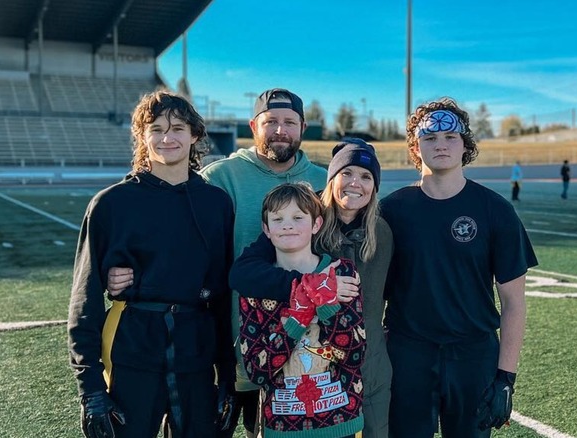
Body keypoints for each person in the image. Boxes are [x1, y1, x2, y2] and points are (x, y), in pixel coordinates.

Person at [107, 88, 330, 438]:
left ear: (303, 126)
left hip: (306, 346)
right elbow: (172, 232)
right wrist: (123, 269)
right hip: (228, 343)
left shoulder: (325, 182)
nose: (280, 130)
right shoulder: (220, 178)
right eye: (271, 122)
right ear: (254, 125)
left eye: (289, 122)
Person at [68, 91, 236, 438]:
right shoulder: (111, 204)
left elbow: (222, 297)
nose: (167, 137)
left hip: (197, 356)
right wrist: (92, 390)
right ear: (142, 137)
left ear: (195, 135)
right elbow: (84, 301)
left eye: (177, 128)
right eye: (156, 129)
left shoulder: (216, 203)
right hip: (133, 354)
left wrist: (229, 379)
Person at [380, 97, 538, 438]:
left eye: (450, 137)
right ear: (414, 146)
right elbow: (372, 295)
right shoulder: (390, 211)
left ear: (465, 144)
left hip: (474, 355)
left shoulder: (496, 210)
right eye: (429, 137)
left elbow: (514, 302)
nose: (440, 144)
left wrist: (506, 378)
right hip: (408, 354)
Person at [229, 138, 393, 438]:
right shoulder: (300, 216)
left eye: (366, 176)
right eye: (346, 173)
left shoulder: (382, 230)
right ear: (332, 177)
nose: (355, 183)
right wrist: (307, 288)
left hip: (364, 365)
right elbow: (243, 274)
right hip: (292, 388)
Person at [238, 182, 365, 437]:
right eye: (278, 218)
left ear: (316, 225)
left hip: (339, 421)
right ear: (266, 229)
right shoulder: (255, 287)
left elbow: (354, 353)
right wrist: (296, 320)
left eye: (298, 217)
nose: (287, 225)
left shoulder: (341, 273)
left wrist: (327, 306)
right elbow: (257, 371)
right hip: (283, 424)